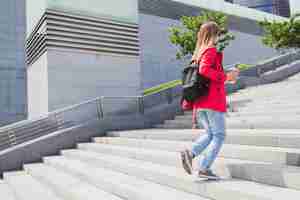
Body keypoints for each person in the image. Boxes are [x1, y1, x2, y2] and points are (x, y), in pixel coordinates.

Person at [180, 21, 239, 179]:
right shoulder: (210, 50)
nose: (218, 37)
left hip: (200, 102)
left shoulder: (198, 54)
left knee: (211, 133)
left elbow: (204, 72)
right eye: (217, 34)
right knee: (219, 135)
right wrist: (226, 76)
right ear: (212, 34)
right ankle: (204, 167)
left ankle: (190, 153)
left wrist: (226, 76)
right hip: (212, 101)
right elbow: (205, 70)